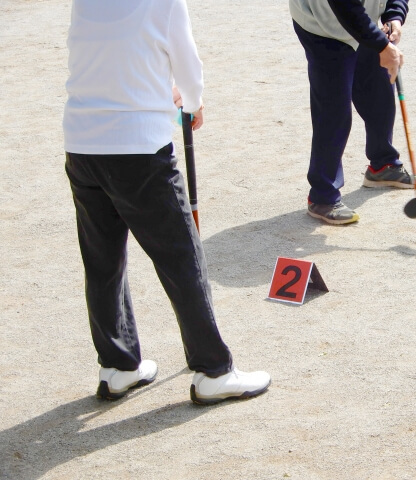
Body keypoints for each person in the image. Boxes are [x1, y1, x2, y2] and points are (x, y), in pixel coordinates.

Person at [63, 0, 270, 405]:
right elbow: (188, 69)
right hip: (139, 148)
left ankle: (118, 365)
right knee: (182, 258)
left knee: (103, 261)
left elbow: (109, 56)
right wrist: (193, 102)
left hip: (82, 143)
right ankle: (213, 370)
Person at [289, 0, 416, 225]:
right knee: (334, 109)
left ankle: (383, 165)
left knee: (379, 88)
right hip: (322, 23)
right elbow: (345, 6)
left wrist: (394, 14)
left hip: (362, 16)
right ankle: (322, 196)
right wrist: (381, 45)